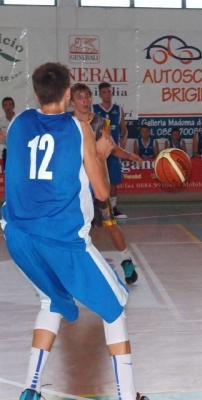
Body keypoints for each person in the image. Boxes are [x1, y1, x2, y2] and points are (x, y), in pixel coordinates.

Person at [1, 62, 148, 400]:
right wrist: (100, 155)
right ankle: (128, 395)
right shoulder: (79, 128)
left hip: (19, 237)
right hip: (61, 241)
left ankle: (31, 389)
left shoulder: (20, 122)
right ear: (68, 94)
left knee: (51, 302)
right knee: (114, 308)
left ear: (37, 93)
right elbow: (100, 192)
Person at [71, 83, 142, 285]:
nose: (84, 101)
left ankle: (126, 260)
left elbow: (112, 147)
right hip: (76, 186)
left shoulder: (101, 122)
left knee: (110, 224)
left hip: (97, 183)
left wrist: (129, 155)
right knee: (77, 228)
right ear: (72, 101)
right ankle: (73, 269)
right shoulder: (67, 123)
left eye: (87, 96)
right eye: (80, 97)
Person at [93, 81, 128, 219]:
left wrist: (123, 140)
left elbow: (124, 130)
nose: (107, 94)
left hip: (113, 151)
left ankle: (113, 208)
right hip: (98, 151)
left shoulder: (119, 110)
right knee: (96, 178)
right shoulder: (94, 109)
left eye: (109, 91)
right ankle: (97, 208)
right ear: (100, 94)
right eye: (104, 92)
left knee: (113, 180)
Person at [0, 96, 16, 170]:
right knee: (6, 171)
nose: (8, 107)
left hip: (17, 150)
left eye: (10, 105)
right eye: (5, 105)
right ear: (3, 107)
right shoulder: (1, 121)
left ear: (13, 106)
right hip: (7, 150)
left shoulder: (19, 119)